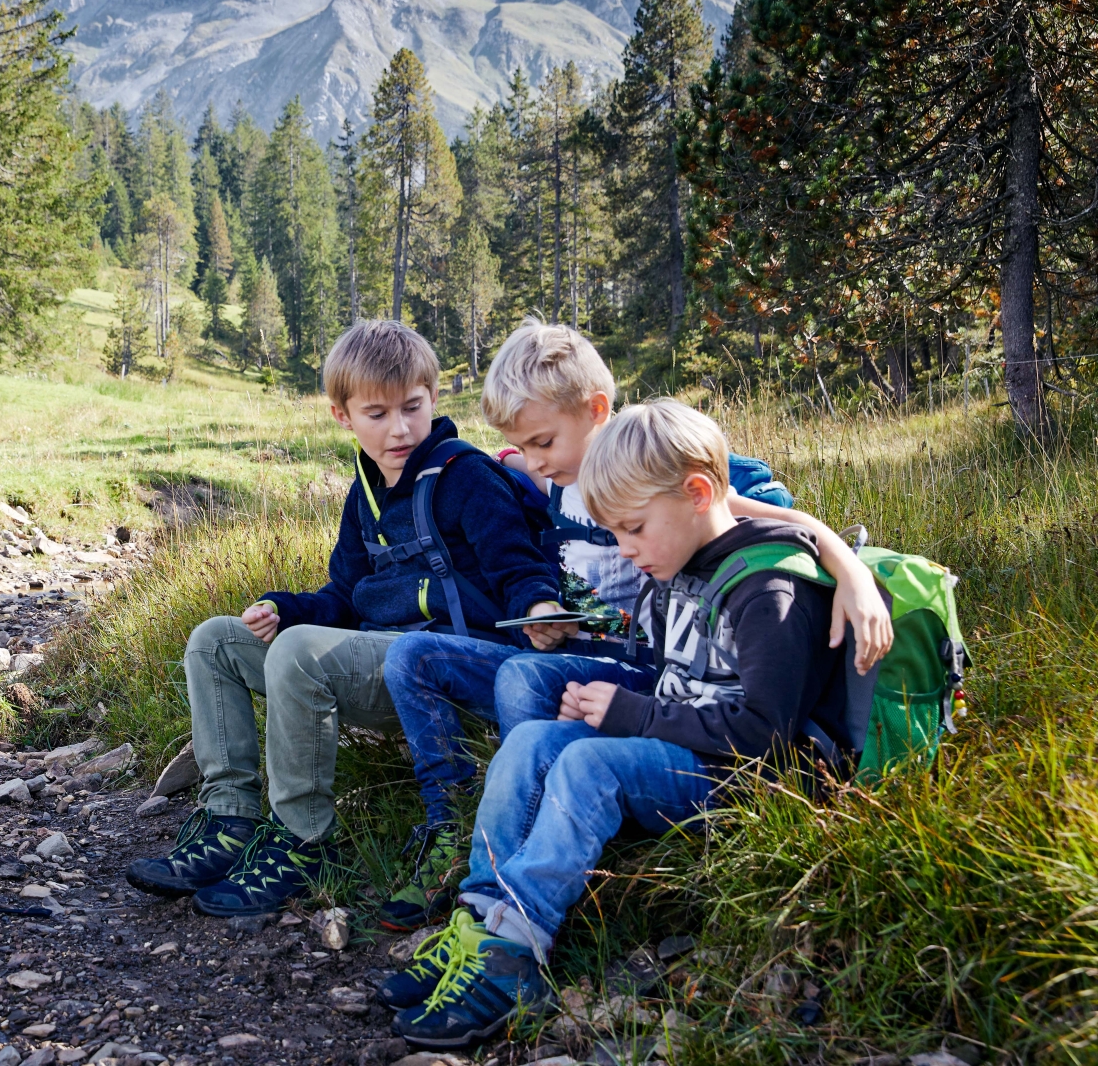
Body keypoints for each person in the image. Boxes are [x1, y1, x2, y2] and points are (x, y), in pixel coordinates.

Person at [381, 399, 868, 1048]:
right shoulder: (680, 566)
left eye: (634, 529)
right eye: (616, 533)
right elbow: (679, 678)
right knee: (530, 740)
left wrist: (631, 713)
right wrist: (607, 698)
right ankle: (477, 915)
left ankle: (515, 950)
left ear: (697, 493)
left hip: (739, 778)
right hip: (679, 749)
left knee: (586, 763)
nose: (627, 550)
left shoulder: (767, 590)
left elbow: (764, 734)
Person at [377, 319, 893, 929]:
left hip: (667, 680)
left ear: (596, 410)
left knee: (525, 688)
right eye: (530, 448)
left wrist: (853, 572)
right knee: (452, 669)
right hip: (630, 669)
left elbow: (772, 529)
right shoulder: (554, 477)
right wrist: (541, 599)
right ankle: (480, 851)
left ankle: (571, 837)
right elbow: (526, 516)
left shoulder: (660, 467)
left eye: (545, 442)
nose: (538, 461)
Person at [124, 319, 564, 918]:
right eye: (377, 413)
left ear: (434, 398)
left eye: (413, 407)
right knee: (214, 642)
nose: (400, 428)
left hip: (450, 674)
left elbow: (517, 567)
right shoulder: (366, 491)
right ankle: (230, 820)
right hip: (380, 661)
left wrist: (538, 606)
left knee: (301, 651)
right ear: (343, 416)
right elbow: (346, 595)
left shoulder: (466, 476)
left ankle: (306, 842)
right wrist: (284, 608)